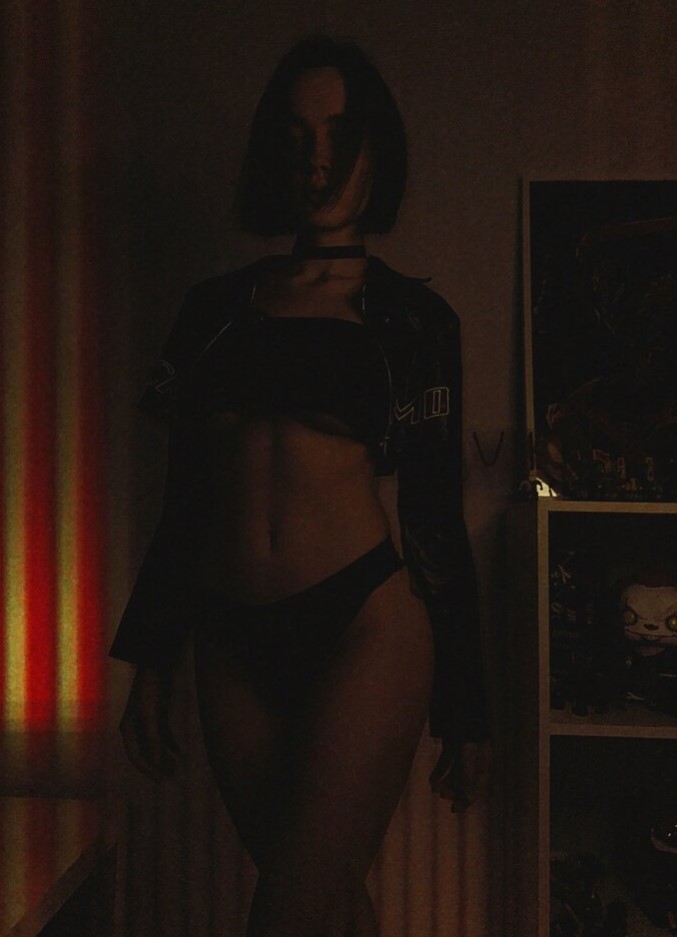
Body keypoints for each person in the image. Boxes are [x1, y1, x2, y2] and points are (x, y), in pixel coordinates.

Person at [111, 35, 490, 937]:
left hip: (363, 625)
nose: (316, 159)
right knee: (322, 901)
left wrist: (465, 709)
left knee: (288, 911)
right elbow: (185, 499)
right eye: (294, 135)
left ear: (375, 148)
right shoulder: (213, 310)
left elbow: (432, 517)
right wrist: (152, 659)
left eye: (338, 134)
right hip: (229, 639)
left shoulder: (412, 319)